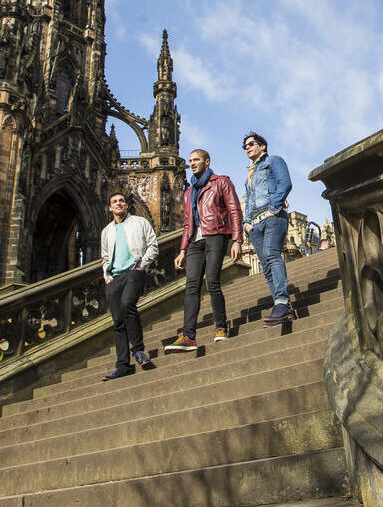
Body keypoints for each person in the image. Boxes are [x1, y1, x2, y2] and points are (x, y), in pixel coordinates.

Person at [166, 149, 242, 351]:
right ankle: (188, 335)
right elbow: (186, 224)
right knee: (191, 286)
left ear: (207, 162)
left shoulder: (221, 182)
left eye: (196, 160)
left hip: (216, 234)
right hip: (194, 242)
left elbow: (234, 209)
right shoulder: (189, 192)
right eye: (190, 161)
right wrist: (182, 249)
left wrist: (237, 239)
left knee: (212, 281)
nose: (192, 163)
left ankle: (221, 327)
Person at [100, 192, 159, 381]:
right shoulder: (107, 231)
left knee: (128, 305)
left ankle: (139, 351)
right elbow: (105, 257)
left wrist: (142, 265)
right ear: (110, 208)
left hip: (134, 271)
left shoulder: (140, 223)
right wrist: (107, 275)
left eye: (121, 201)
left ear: (126, 205)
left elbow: (153, 245)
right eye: (114, 202)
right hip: (115, 278)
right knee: (117, 320)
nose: (118, 204)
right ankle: (123, 364)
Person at [243, 132, 294, 324]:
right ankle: (281, 307)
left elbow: (285, 183)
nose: (247, 147)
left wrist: (274, 208)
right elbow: (248, 201)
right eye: (245, 146)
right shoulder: (249, 174)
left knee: (272, 255)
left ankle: (281, 301)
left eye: (251, 144)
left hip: (273, 217)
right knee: (265, 266)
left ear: (262, 146)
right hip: (255, 224)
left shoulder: (273, 161)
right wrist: (246, 223)